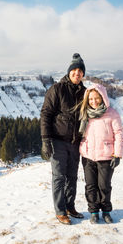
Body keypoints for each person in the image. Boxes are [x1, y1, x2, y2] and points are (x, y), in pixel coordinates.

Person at [40, 53, 86, 225]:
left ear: (83, 74)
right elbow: (46, 114)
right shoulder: (57, 89)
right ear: (69, 72)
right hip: (58, 140)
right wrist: (46, 139)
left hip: (75, 142)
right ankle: (60, 211)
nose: (77, 73)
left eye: (80, 71)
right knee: (59, 177)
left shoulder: (85, 92)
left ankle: (69, 206)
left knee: (72, 177)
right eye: (74, 70)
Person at [78, 84, 123, 224]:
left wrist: (118, 155)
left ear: (103, 97)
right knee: (90, 186)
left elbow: (118, 134)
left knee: (104, 186)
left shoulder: (112, 113)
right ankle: (93, 212)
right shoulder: (85, 114)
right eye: (91, 99)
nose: (94, 101)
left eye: (97, 98)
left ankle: (106, 211)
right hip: (88, 156)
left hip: (106, 156)